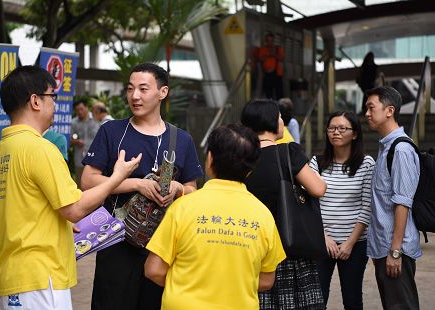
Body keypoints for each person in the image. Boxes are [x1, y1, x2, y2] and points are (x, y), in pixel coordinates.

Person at [0, 65, 141, 310]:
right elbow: (75, 208)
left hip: (11, 277)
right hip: (39, 279)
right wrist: (116, 177)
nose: (55, 104)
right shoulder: (40, 148)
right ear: (35, 101)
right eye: (52, 96)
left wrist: (54, 220)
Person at [81, 62, 204, 310]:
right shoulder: (112, 131)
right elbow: (87, 181)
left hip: (162, 248)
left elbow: (193, 192)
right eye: (130, 89)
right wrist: (136, 183)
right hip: (115, 242)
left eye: (143, 89)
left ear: (163, 92)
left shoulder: (181, 139)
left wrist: (178, 189)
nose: (135, 96)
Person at [144, 123, 286, 309]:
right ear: (251, 168)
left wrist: (187, 284)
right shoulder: (263, 215)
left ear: (210, 160)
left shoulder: (183, 207)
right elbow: (267, 280)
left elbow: (154, 270)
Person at [242, 98, 327, 310]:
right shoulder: (288, 152)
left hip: (251, 246)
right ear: (272, 121)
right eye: (280, 117)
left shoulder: (240, 157)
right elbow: (318, 188)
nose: (282, 122)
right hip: (290, 246)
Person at [309, 111, 375, 309]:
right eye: (332, 128)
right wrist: (323, 236)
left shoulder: (366, 164)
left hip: (355, 244)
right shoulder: (317, 163)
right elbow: (309, 205)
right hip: (321, 242)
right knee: (317, 298)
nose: (335, 132)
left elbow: (367, 206)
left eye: (342, 128)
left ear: (354, 134)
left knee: (352, 298)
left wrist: (349, 243)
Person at [365, 86, 421, 309]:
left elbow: (403, 202)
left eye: (371, 107)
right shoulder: (386, 147)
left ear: (389, 110)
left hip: (395, 248)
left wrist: (395, 251)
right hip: (385, 246)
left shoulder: (400, 150)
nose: (367, 113)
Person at [71, 100, 99, 188]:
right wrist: (76, 141)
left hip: (95, 159)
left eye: (81, 109)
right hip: (79, 159)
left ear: (87, 108)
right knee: (79, 184)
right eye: (77, 110)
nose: (79, 112)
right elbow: (69, 140)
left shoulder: (96, 118)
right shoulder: (73, 122)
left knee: (94, 184)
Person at [256, 33, 285, 100]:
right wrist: (267, 55)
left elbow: (282, 58)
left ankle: (279, 107)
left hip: (277, 74)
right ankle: (270, 106)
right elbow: (260, 59)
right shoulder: (263, 49)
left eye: (271, 40)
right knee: (268, 93)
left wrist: (274, 54)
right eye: (268, 40)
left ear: (273, 40)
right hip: (267, 74)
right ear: (266, 41)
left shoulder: (278, 49)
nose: (270, 42)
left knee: (279, 93)